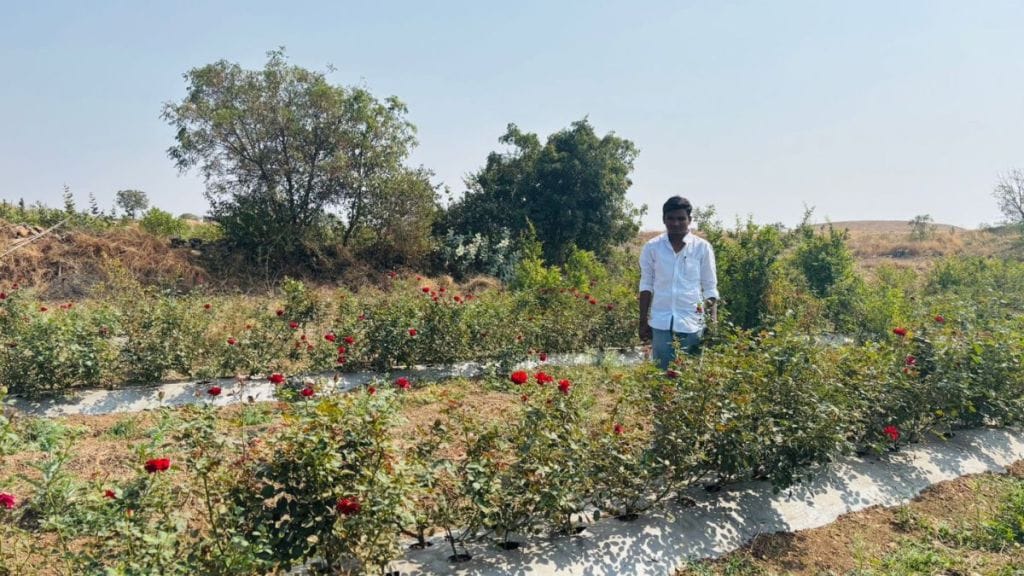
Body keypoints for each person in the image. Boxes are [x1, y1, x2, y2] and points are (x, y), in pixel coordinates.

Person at [638, 196, 719, 369]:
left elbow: (710, 287)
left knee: (690, 378)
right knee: (661, 376)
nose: (676, 223)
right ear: (664, 219)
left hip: (692, 322)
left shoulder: (701, 248)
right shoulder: (652, 248)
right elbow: (646, 285)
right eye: (671, 218)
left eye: (681, 219)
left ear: (689, 220)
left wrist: (712, 321)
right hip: (661, 322)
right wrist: (643, 319)